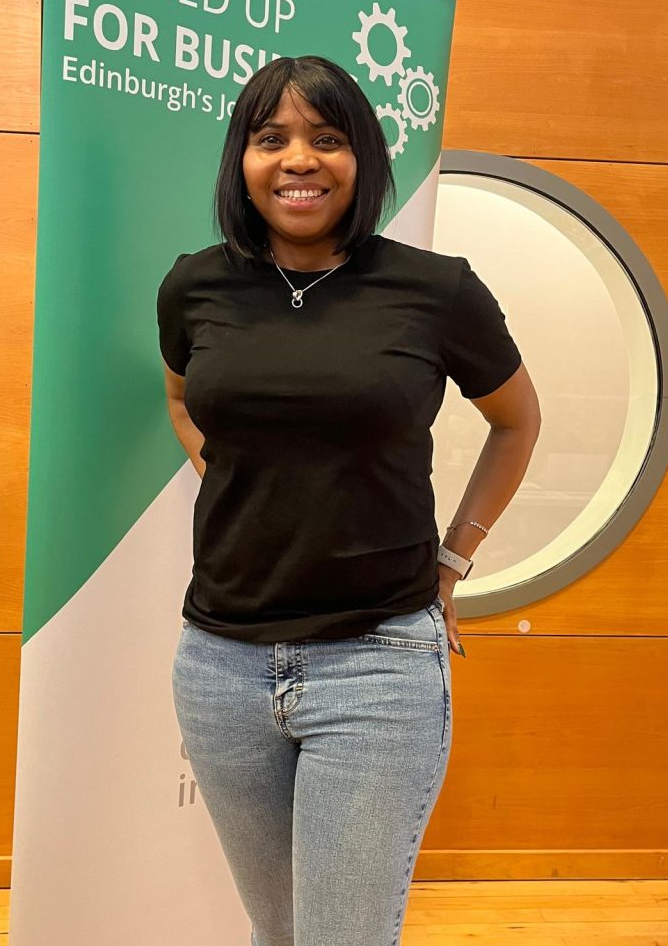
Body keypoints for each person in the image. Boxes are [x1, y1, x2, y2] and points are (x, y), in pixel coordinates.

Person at [157, 55, 540, 946]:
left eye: (327, 138)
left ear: (362, 157)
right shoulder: (194, 285)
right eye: (272, 138)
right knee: (280, 932)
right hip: (220, 665)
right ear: (242, 160)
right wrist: (245, 480)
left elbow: (517, 421)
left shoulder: (436, 289)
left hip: (377, 662)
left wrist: (454, 557)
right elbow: (180, 399)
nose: (299, 159)